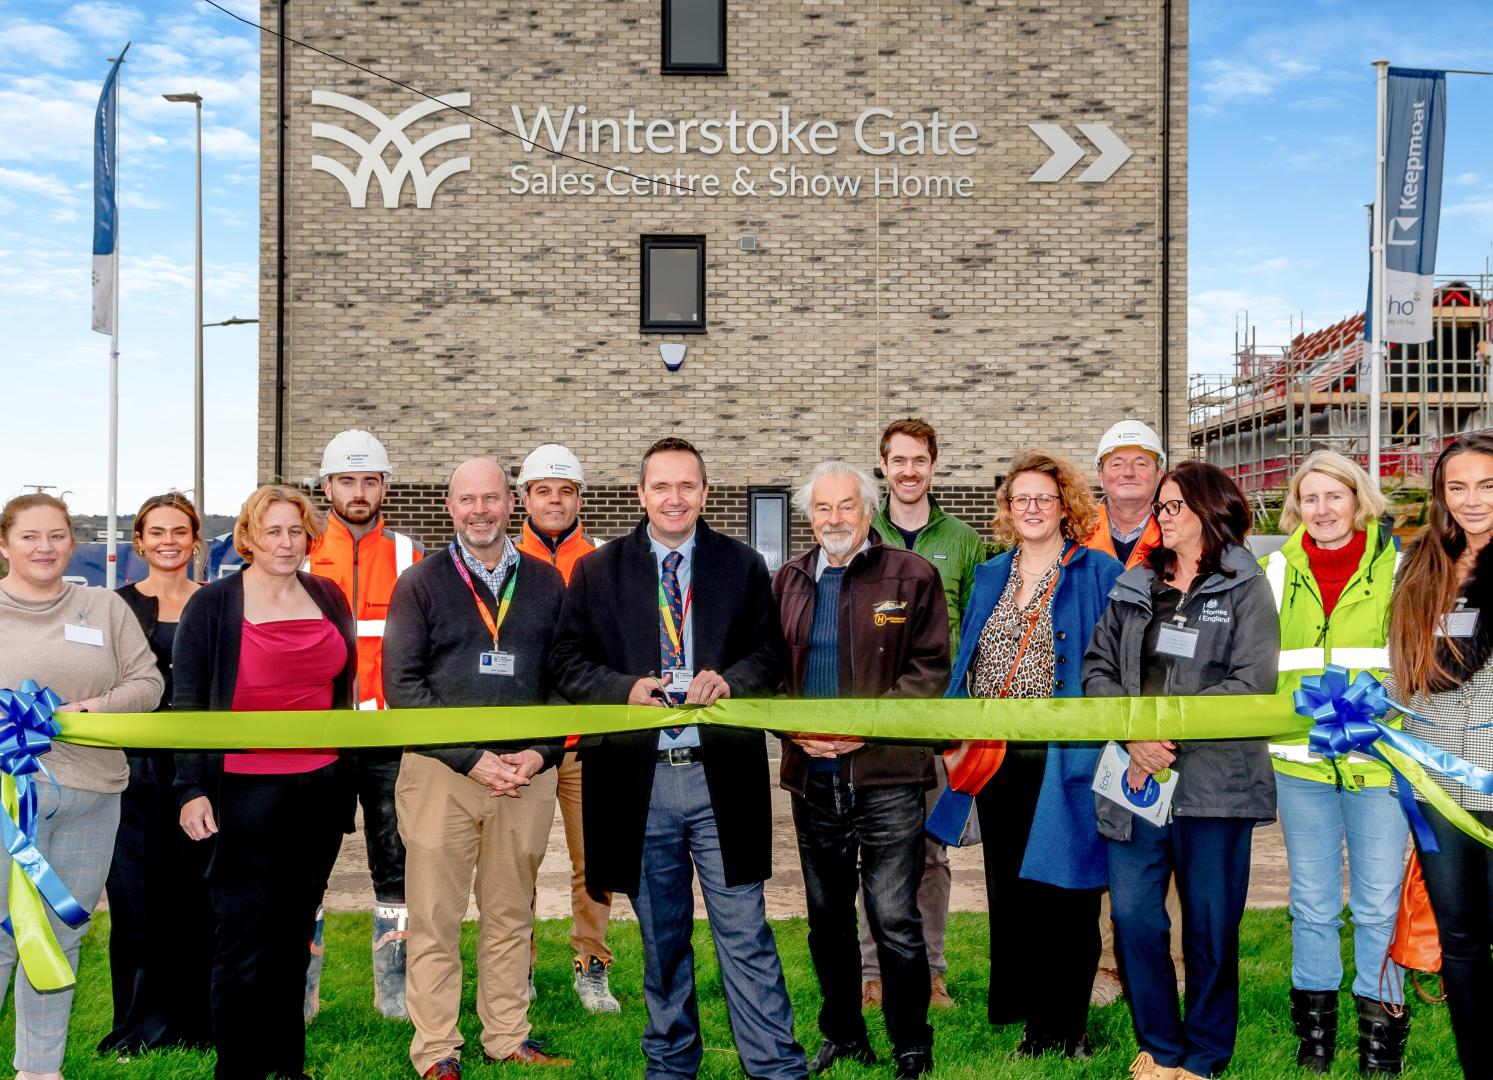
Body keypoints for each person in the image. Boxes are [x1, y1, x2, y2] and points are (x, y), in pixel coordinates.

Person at [551, 437, 806, 1080]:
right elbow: (566, 662)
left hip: (720, 778)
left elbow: (771, 656)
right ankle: (670, 1063)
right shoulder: (597, 571)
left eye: (686, 486)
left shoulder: (744, 566)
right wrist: (622, 690)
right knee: (662, 941)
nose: (674, 498)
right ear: (640, 494)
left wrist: (732, 682)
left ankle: (774, 1066)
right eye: (660, 486)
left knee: (744, 932)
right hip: (639, 784)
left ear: (704, 493)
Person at [1083, 460, 1279, 1080]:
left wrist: (1167, 727)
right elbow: (1096, 670)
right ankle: (1162, 1047)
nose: (1161, 517)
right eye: (1160, 508)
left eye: (1171, 507)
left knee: (1210, 927)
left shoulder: (1247, 586)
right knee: (1136, 917)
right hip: (1137, 782)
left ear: (1207, 510)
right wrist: (1134, 730)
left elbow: (1252, 683)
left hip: (1217, 784)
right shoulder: (1135, 584)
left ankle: (1204, 1055)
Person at [384, 457, 571, 1078]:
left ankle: (507, 1035)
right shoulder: (421, 583)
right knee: (435, 916)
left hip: (525, 776)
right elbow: (402, 687)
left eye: (491, 498)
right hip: (442, 774)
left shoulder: (546, 584)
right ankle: (437, 1048)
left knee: (512, 912)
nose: (481, 510)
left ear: (510, 503)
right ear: (449, 505)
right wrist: (471, 759)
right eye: (468, 499)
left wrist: (541, 754)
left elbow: (565, 680)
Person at [174, 485, 358, 1080]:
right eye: (272, 531)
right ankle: (239, 1069)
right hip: (241, 792)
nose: (286, 542)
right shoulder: (215, 605)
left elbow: (342, 692)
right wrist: (190, 788)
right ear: (248, 539)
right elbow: (188, 702)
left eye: (296, 530)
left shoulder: (328, 595)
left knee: (293, 932)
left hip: (319, 790)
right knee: (243, 940)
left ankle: (287, 1066)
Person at [773, 461, 949, 1078]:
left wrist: (864, 726)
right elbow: (767, 672)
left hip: (889, 776)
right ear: (809, 516)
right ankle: (844, 1034)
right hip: (812, 776)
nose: (834, 519)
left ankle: (911, 1045)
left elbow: (930, 671)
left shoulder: (912, 576)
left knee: (894, 914)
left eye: (846, 506)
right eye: (822, 508)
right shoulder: (787, 581)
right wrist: (794, 728)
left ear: (867, 511)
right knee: (826, 918)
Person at [946, 451, 1122, 1060]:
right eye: (1020, 498)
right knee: (1014, 892)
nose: (1031, 508)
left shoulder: (1096, 570)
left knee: (1068, 892)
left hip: (1064, 755)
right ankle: (1033, 1024)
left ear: (1065, 505)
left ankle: (1069, 1024)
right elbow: (967, 652)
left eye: (1043, 497)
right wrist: (951, 730)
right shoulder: (993, 574)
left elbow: (1116, 658)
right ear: (1006, 508)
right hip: (998, 759)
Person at [0, 493, 163, 1080]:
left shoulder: (102, 607)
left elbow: (147, 685)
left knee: (62, 932)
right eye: (29, 537)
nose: (45, 547)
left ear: (73, 541)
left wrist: (94, 709)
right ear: (4, 545)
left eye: (57, 535)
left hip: (94, 792)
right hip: (7, 798)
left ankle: (39, 1070)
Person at [1263, 451, 1408, 1075]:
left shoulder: (1401, 570)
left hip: (1378, 766)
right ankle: (1314, 1047)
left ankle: (1380, 1049)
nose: (1323, 510)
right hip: (1301, 768)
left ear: (1359, 500)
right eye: (1311, 498)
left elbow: (1415, 665)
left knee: (1378, 906)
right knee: (1313, 905)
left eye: (1335, 496)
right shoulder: (1272, 572)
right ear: (1297, 506)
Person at [864, 416, 983, 1009]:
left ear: (934, 466)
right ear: (882, 466)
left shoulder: (963, 541)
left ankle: (931, 972)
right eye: (899, 460)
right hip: (878, 719)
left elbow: (978, 629)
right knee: (876, 848)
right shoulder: (862, 532)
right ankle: (871, 975)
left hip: (940, 721)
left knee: (932, 851)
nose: (909, 471)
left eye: (920, 460)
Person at [1385, 434, 1493, 1080]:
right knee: (1459, 941)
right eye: (1458, 487)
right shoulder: (1417, 565)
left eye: (1485, 485)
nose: (1472, 500)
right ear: (1439, 496)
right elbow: (1404, 670)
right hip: (1437, 784)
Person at [306, 428, 423, 1019]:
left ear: (384, 486)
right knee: (306, 858)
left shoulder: (410, 555)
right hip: (316, 738)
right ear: (327, 486)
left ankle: (395, 991)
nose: (358, 491)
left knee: (394, 858)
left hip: (386, 737)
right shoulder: (297, 553)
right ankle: (300, 991)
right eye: (347, 480)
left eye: (369, 480)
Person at [99, 492, 213, 1054]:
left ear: (195, 540)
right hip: (132, 776)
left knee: (199, 902)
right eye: (156, 532)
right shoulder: (112, 608)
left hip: (203, 776)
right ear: (139, 542)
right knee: (137, 905)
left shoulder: (218, 604)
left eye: (180, 531)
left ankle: (198, 1026)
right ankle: (139, 1028)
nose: (169, 541)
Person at [512, 443, 618, 1014]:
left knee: (593, 862)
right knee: (517, 861)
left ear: (581, 497)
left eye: (566, 491)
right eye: (543, 491)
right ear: (524, 498)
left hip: (586, 739)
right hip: (525, 742)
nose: (555, 501)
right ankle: (518, 967)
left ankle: (592, 963)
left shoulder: (602, 560)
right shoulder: (500, 559)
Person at [1082, 418, 1179, 1009]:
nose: (1128, 472)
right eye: (1116, 462)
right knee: (1098, 840)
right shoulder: (1075, 534)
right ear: (1100, 474)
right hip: (1090, 713)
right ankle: (1100, 967)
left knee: (1158, 836)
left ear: (1159, 472)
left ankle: (1160, 961)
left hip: (1162, 726)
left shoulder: (1179, 533)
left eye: (1141, 462)